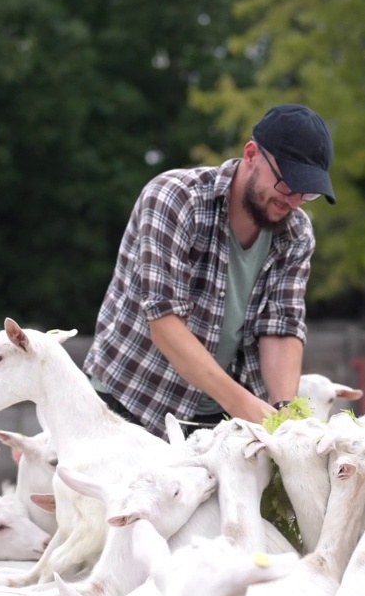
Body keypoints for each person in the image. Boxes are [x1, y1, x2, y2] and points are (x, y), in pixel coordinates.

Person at [83, 103, 336, 438]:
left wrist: (284, 410)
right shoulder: (174, 198)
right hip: (128, 403)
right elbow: (165, 324)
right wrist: (244, 405)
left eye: (308, 192)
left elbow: (281, 326)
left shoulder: (297, 232)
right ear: (250, 155)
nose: (293, 200)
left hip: (217, 419)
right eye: (288, 183)